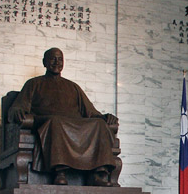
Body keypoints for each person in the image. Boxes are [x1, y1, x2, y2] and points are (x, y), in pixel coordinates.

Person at [8, 47, 119, 186]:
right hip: (48, 121)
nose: (56, 62)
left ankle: (97, 174)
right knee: (56, 121)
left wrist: (105, 117)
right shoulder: (33, 84)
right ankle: (60, 172)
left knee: (99, 124)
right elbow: (18, 106)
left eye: (60, 59)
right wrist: (17, 110)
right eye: (53, 59)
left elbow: (90, 112)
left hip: (74, 123)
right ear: (44, 62)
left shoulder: (73, 87)